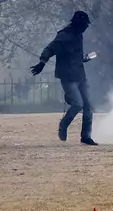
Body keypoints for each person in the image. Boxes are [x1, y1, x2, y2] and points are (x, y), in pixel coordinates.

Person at [29, 11, 98, 145]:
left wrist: (84, 57)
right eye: (85, 25)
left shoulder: (79, 35)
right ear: (78, 24)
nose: (86, 27)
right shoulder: (64, 36)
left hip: (80, 75)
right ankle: (64, 123)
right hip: (68, 77)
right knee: (78, 104)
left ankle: (85, 136)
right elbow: (49, 49)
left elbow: (75, 54)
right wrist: (42, 62)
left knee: (88, 106)